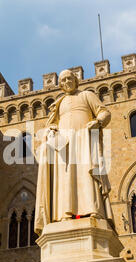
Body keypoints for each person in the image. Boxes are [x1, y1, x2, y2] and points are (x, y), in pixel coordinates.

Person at [34, 69, 113, 236]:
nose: (66, 81)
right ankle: (65, 213)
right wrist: (51, 130)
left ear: (76, 80)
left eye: (69, 78)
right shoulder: (59, 102)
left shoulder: (86, 96)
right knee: (65, 181)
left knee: (88, 176)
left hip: (84, 141)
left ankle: (93, 211)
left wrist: (98, 122)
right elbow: (51, 124)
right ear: (60, 85)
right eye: (63, 80)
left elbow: (104, 112)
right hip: (64, 147)